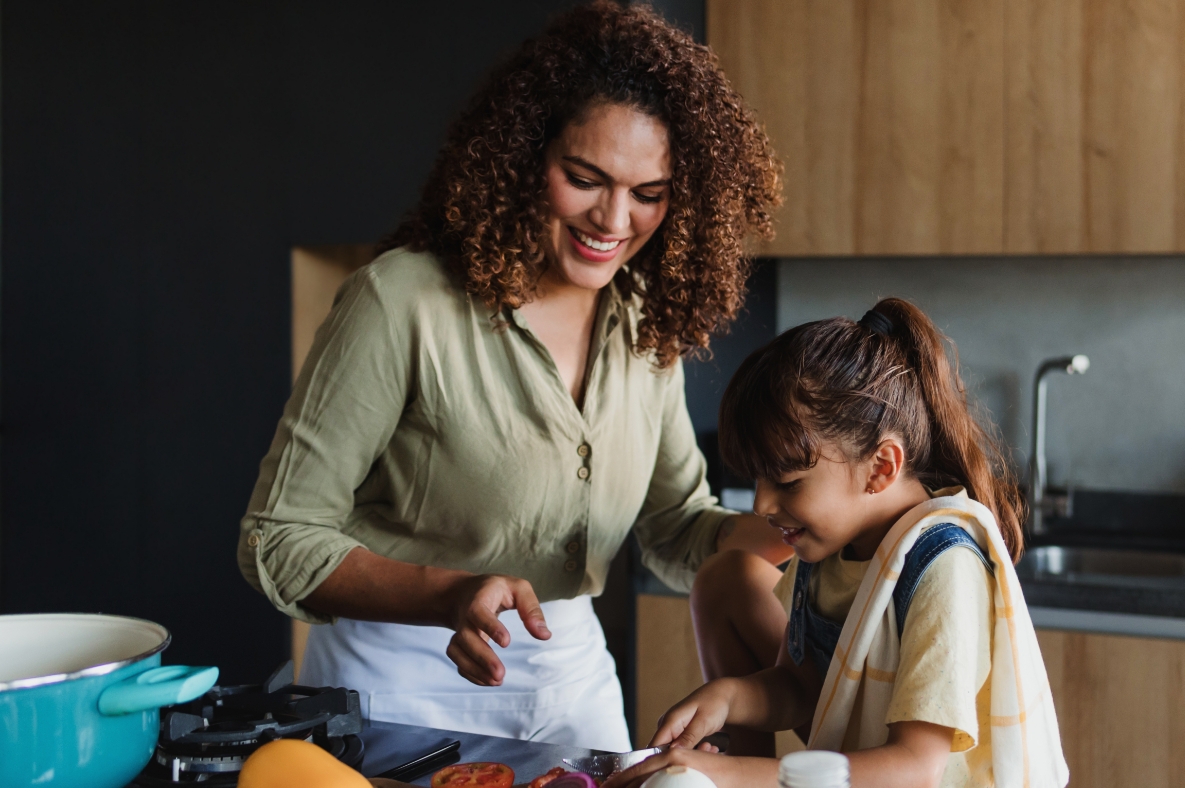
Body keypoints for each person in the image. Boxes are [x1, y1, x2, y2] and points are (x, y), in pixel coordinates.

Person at [235, 1, 789, 751]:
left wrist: (804, 523)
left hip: (570, 677)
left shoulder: (643, 320)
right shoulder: (401, 302)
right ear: (524, 156)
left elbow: (674, 529)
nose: (614, 219)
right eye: (584, 178)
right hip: (398, 679)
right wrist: (447, 595)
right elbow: (277, 538)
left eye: (648, 194)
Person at [607, 299, 1070, 788]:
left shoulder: (944, 566)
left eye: (786, 483)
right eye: (758, 481)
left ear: (881, 467)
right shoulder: (830, 544)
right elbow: (801, 686)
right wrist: (728, 698)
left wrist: (733, 775)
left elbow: (916, 767)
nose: (763, 505)